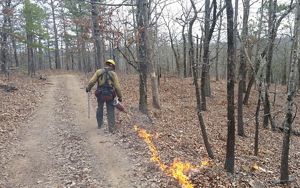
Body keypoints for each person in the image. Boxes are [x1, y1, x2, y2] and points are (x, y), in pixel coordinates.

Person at [86, 59, 123, 133]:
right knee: (110, 110)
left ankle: (100, 124)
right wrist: (120, 97)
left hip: (100, 94)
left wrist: (88, 88)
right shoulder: (113, 74)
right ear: (112, 66)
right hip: (110, 95)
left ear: (107, 64)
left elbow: (92, 81)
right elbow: (117, 87)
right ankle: (111, 128)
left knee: (100, 108)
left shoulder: (99, 72)